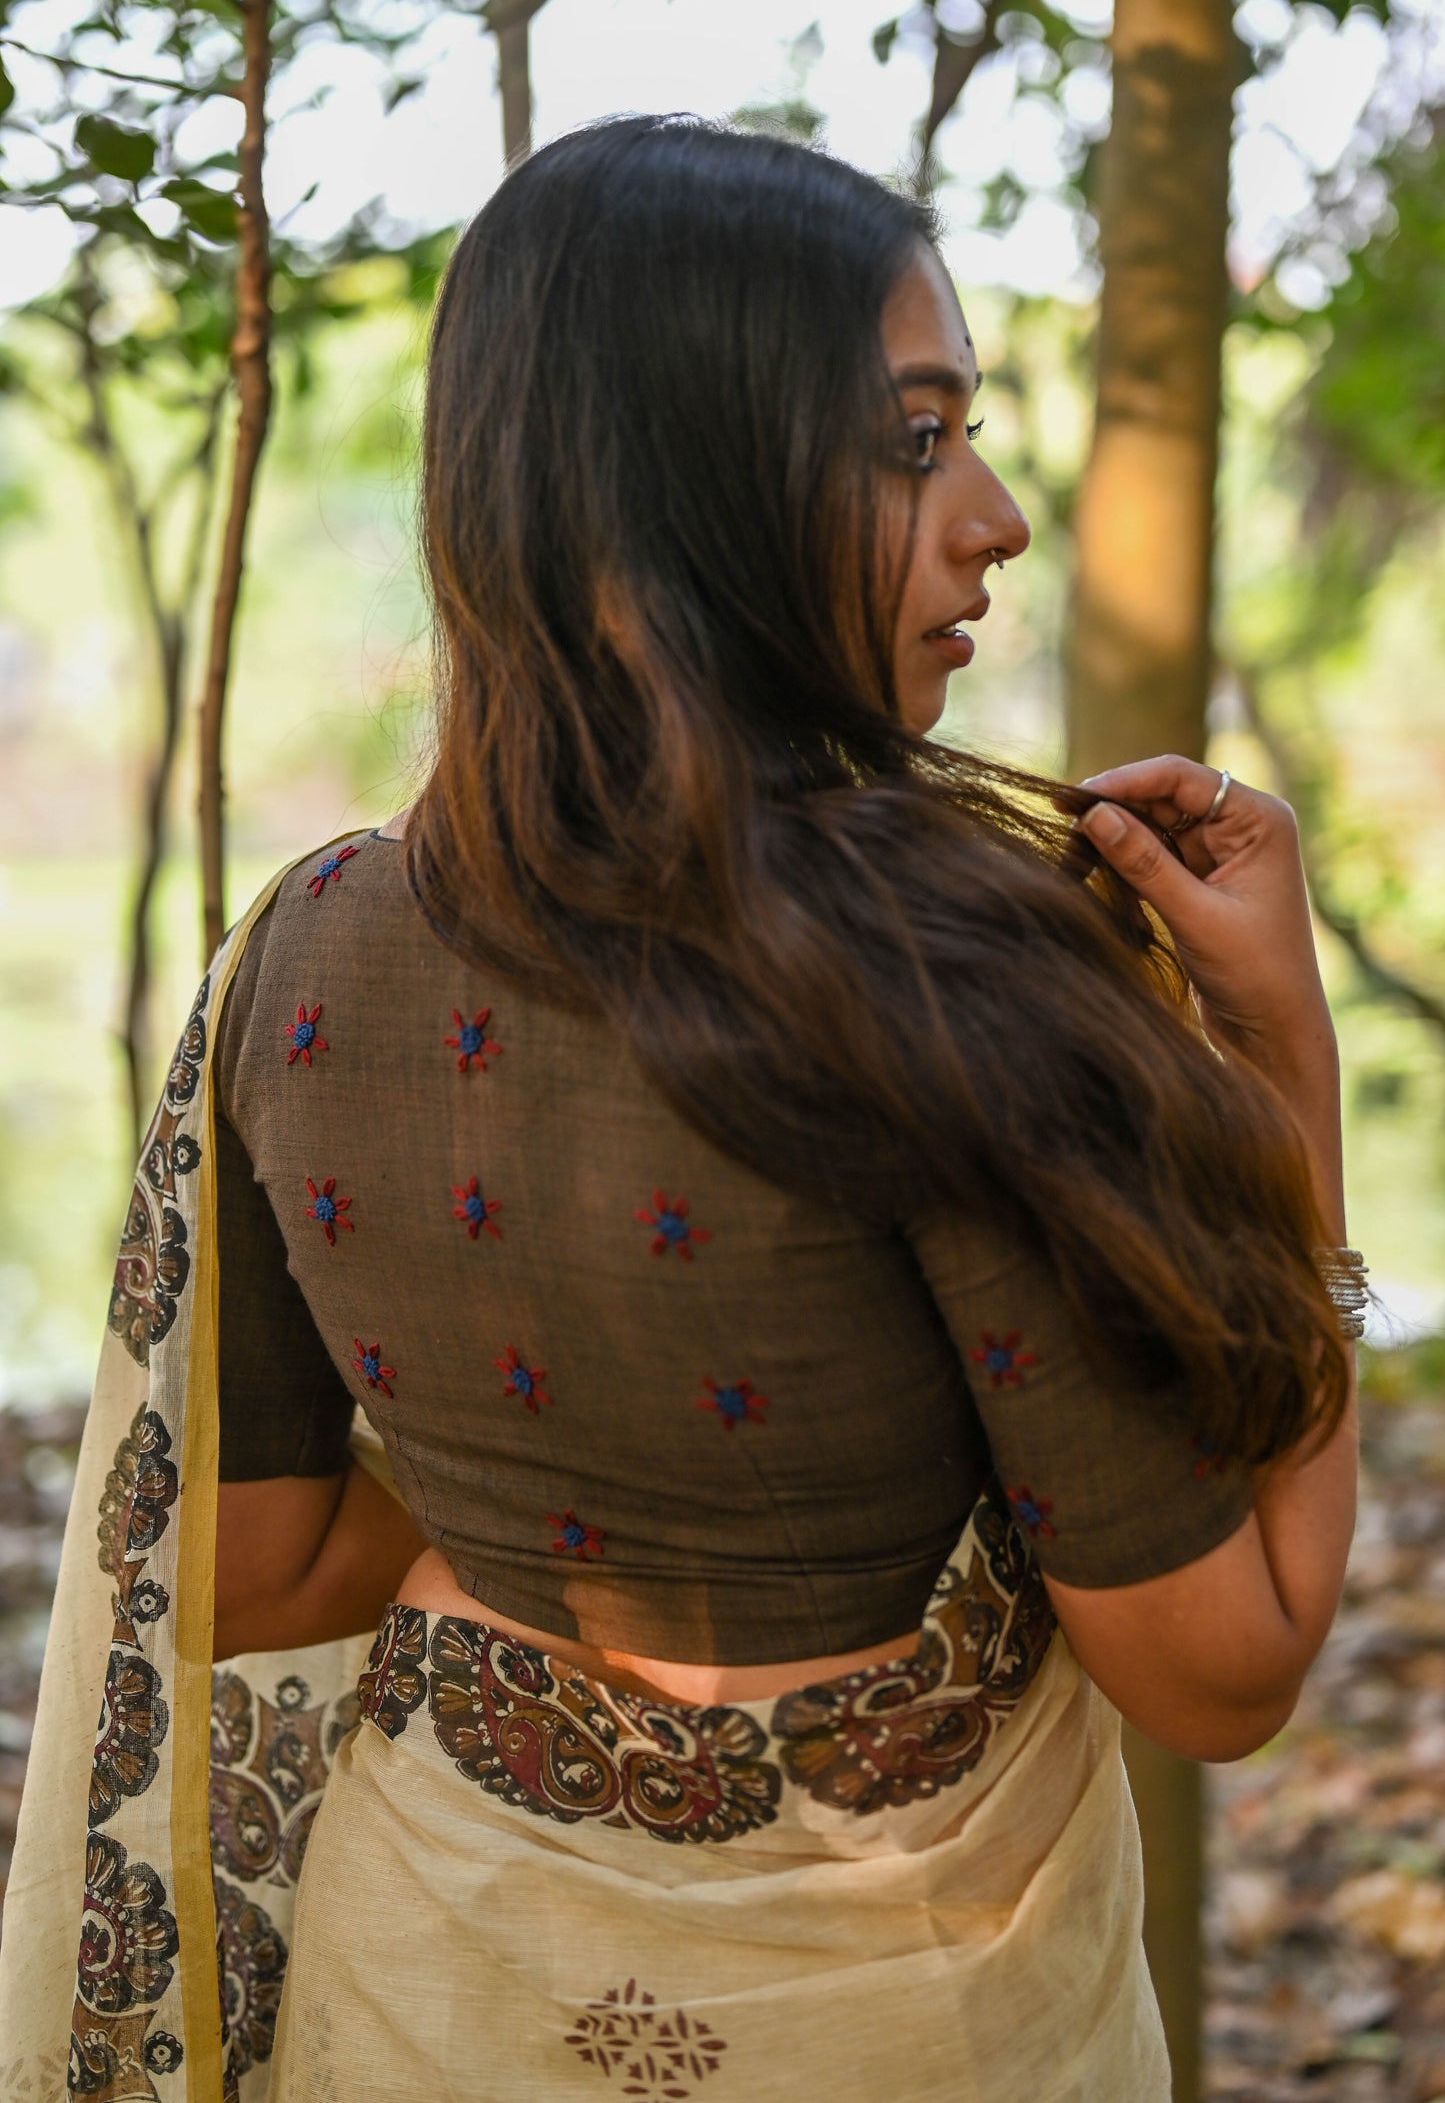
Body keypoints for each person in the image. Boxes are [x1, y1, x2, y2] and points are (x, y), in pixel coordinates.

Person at [0, 115, 1363, 2103]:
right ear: (696, 484)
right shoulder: (956, 981)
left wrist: (540, 1487)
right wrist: (1285, 1067)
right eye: (918, 439)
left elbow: (258, 1581)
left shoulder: (300, 956)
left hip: (430, 2001)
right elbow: (1221, 1669)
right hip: (904, 2019)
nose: (996, 515)